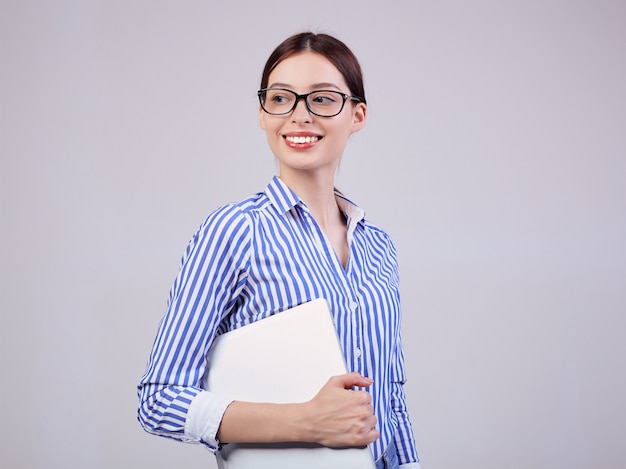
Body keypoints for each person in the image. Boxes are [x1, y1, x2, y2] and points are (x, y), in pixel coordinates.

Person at [137, 31, 420, 469]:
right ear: (262, 112)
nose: (299, 115)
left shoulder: (378, 247)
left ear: (357, 114)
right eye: (281, 98)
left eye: (323, 99)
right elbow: (159, 400)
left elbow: (391, 402)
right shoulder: (234, 231)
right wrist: (304, 421)